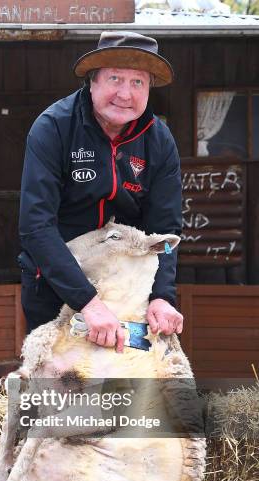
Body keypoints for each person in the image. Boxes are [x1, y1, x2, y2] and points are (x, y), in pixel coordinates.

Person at [19, 31, 183, 352]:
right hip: (54, 284)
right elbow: (36, 226)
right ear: (92, 82)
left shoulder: (159, 140)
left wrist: (162, 296)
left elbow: (164, 230)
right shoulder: (53, 127)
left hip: (127, 288)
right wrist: (88, 303)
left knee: (124, 389)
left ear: (149, 90)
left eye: (138, 82)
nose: (125, 93)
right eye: (115, 78)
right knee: (59, 389)